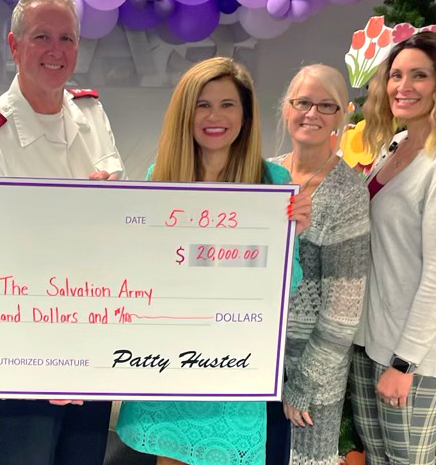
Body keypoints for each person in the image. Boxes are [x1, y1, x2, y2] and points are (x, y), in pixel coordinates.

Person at [0, 0, 124, 465]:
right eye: (42, 37)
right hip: (27, 342)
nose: (57, 50)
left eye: (67, 38)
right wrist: (44, 354)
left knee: (85, 456)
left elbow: (120, 223)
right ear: (14, 46)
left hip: (93, 330)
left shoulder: (92, 113)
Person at [115, 56, 311, 465]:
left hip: (233, 365)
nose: (214, 116)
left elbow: (286, 286)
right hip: (168, 361)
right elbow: (139, 272)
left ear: (245, 114)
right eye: (202, 104)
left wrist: (293, 235)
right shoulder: (160, 178)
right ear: (186, 113)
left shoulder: (272, 183)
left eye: (227, 104)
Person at [350, 32, 436, 465]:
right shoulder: (396, 144)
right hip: (375, 340)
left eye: (419, 76)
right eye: (396, 75)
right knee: (378, 457)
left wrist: (404, 364)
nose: (402, 86)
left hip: (416, 355)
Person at [266, 64, 370, 465]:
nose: (312, 113)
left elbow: (343, 310)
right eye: (303, 102)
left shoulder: (347, 192)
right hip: (259, 361)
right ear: (287, 108)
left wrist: (303, 385)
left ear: (341, 117)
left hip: (310, 374)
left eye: (325, 106)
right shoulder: (266, 175)